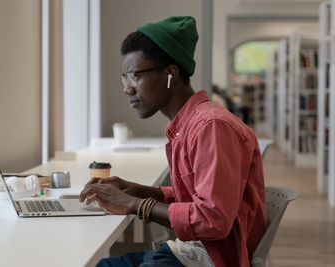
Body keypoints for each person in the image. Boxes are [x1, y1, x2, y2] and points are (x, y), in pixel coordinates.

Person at [80, 16, 266, 267]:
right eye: (125, 79)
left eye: (135, 77)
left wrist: (134, 204)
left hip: (210, 259)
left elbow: (213, 219)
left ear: (171, 74)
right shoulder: (189, 125)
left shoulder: (211, 126)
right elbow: (199, 197)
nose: (127, 89)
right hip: (188, 252)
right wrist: (144, 191)